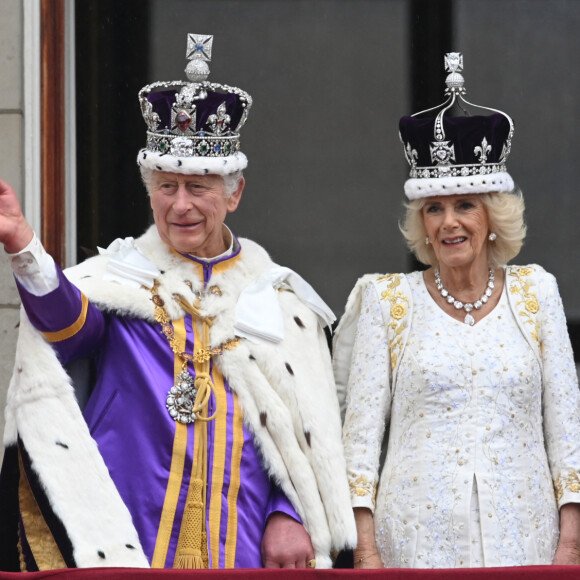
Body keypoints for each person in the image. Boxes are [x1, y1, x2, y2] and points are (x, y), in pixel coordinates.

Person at [0, 34, 356, 571]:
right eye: (167, 186)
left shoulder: (279, 300)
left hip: (243, 538)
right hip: (129, 537)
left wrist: (290, 511)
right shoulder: (117, 280)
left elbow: (305, 428)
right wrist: (26, 249)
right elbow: (67, 329)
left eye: (199, 187)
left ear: (233, 194)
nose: (181, 205)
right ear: (149, 189)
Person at [333, 53, 580, 569]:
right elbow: (357, 447)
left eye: (465, 204)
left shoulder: (538, 293)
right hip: (415, 547)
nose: (449, 222)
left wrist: (570, 547)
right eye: (434, 208)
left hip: (525, 543)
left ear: (493, 216)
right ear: (421, 222)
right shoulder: (387, 301)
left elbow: (567, 432)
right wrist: (368, 551)